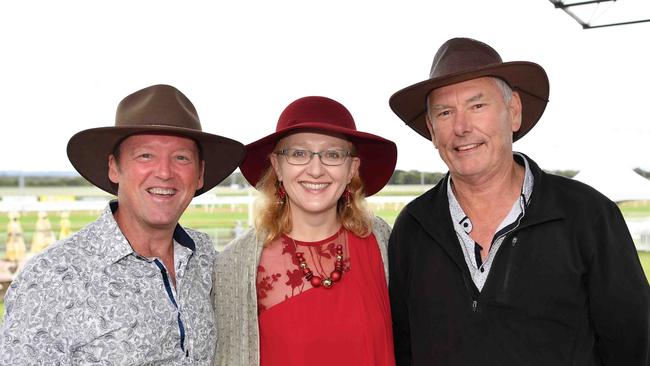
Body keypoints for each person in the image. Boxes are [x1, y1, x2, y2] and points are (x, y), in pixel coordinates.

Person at [387, 37, 650, 365]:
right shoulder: (413, 227)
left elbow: (632, 344)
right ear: (431, 128)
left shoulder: (588, 216)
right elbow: (403, 346)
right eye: (444, 112)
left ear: (513, 113)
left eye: (477, 105)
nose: (461, 127)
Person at [0, 84, 245, 364]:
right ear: (114, 167)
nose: (164, 172)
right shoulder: (51, 278)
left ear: (199, 174)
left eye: (181, 158)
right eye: (145, 155)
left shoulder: (205, 260)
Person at [213, 96, 398, 366]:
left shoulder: (383, 242)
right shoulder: (234, 266)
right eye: (299, 153)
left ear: (352, 169)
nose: (315, 169)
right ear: (277, 166)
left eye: (332, 154)